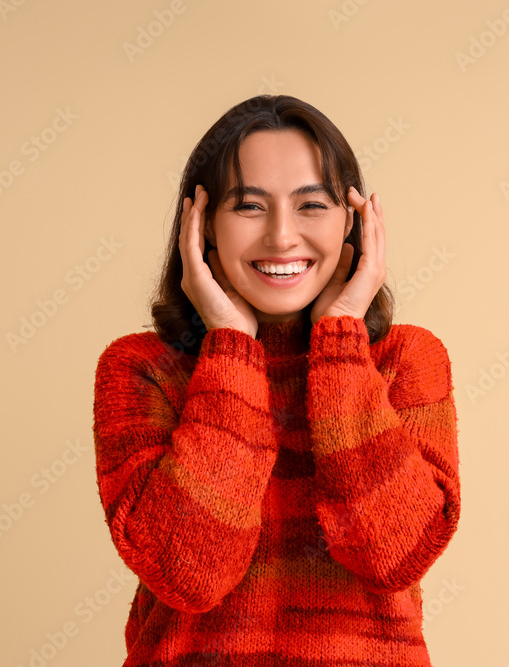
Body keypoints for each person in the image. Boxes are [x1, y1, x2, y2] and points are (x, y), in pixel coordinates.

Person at [92, 94, 461, 666]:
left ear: (354, 223)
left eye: (311, 205)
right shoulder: (139, 369)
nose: (282, 236)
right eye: (248, 207)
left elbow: (395, 556)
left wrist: (340, 339)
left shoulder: (407, 361)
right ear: (202, 225)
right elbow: (189, 574)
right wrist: (230, 348)